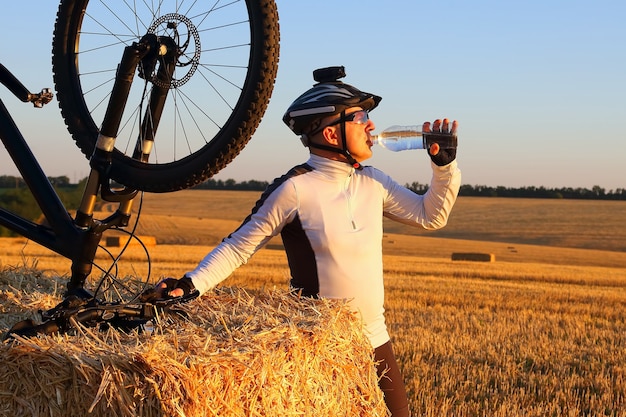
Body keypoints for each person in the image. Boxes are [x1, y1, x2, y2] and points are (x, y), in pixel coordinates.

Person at [156, 66, 462, 417]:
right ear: (331, 134)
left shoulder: (373, 182)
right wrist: (191, 284)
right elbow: (239, 246)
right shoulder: (295, 189)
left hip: (376, 340)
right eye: (360, 117)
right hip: (318, 348)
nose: (371, 126)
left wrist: (444, 168)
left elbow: (430, 216)